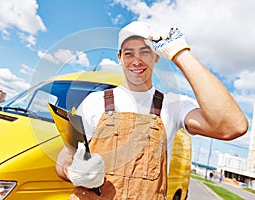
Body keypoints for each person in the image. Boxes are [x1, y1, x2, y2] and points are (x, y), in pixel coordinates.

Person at [55, 21, 248, 199]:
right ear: (119, 58)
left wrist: (181, 52)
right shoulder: (93, 102)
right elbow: (65, 157)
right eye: (129, 53)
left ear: (157, 56)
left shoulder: (173, 106)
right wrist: (73, 172)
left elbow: (233, 126)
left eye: (145, 52)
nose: (136, 61)